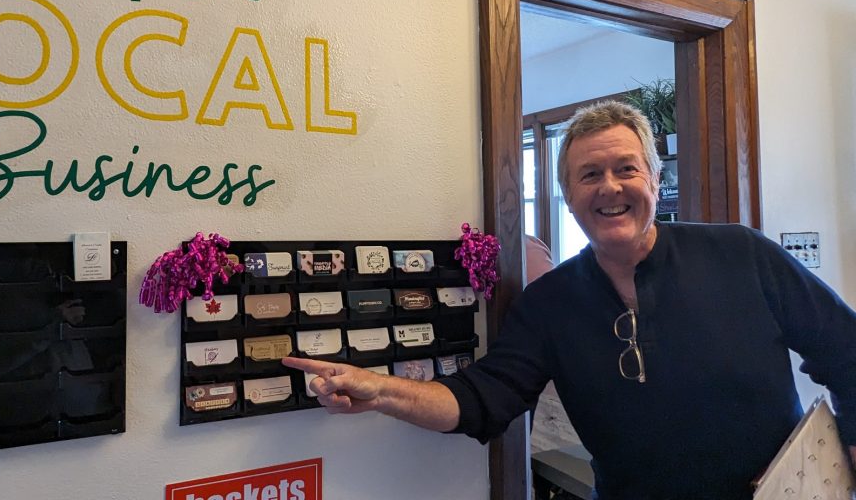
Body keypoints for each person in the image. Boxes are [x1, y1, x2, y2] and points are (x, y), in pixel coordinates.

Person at [284, 100, 856, 499]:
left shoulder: (741, 254)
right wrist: (380, 389)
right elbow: (484, 398)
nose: (609, 187)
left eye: (625, 168)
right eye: (589, 175)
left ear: (654, 181)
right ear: (569, 196)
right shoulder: (550, 303)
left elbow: (847, 351)